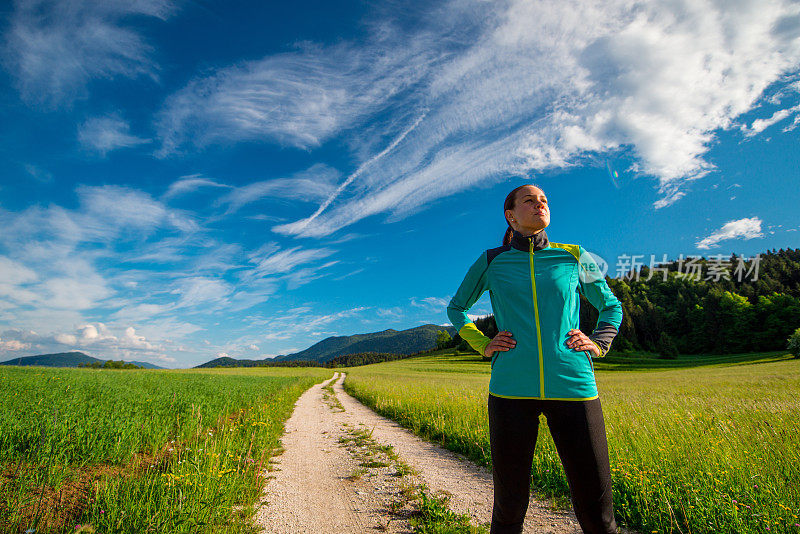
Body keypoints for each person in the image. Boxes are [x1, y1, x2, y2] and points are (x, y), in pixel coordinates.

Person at [446, 184, 623, 534]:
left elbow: (610, 305)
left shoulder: (573, 256)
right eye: (529, 200)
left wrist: (599, 341)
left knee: (597, 511)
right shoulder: (492, 261)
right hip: (511, 390)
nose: (539, 204)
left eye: (544, 200)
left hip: (574, 387)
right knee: (510, 505)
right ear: (511, 215)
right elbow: (457, 309)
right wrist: (483, 343)